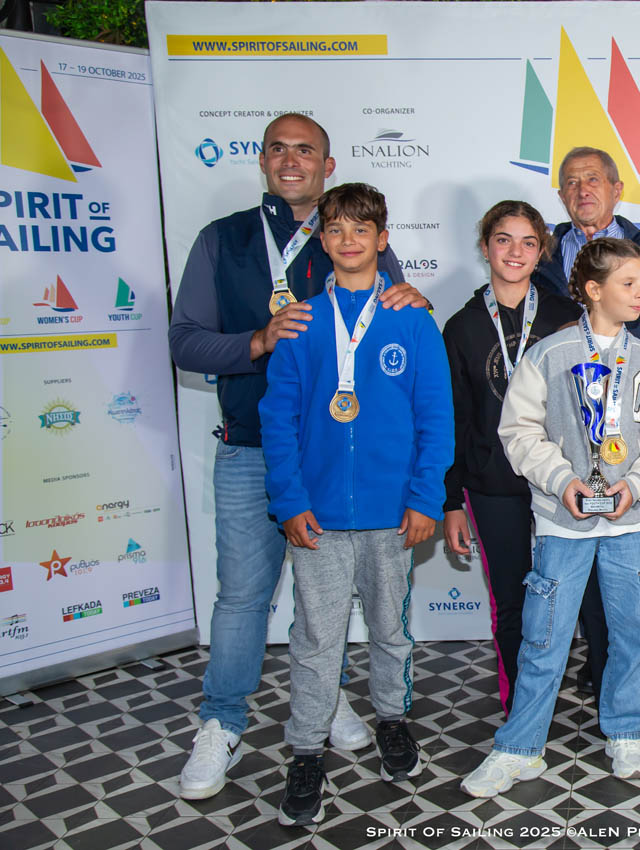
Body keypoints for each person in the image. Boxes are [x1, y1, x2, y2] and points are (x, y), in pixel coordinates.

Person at [168, 114, 431, 800]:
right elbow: (184, 342)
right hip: (254, 449)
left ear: (326, 163)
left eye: (305, 150)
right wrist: (256, 341)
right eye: (278, 149)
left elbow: (399, 331)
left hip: (349, 472)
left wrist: (414, 299)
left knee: (334, 613)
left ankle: (333, 704)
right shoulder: (223, 239)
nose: (291, 160)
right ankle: (222, 721)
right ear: (261, 160)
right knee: (243, 598)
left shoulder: (350, 235)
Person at [462, 238, 640, 797]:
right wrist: (563, 480)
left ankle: (627, 731)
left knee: (630, 633)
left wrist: (637, 484)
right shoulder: (547, 356)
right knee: (544, 637)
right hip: (562, 525)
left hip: (631, 524)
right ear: (593, 289)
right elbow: (519, 431)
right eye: (628, 283)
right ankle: (520, 747)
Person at [259, 182, 453, 824]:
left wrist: (425, 497)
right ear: (322, 240)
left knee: (390, 629)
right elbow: (278, 421)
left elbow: (435, 418)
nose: (348, 240)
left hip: (393, 514)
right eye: (337, 229)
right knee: (317, 637)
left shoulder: (413, 320)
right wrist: (289, 501)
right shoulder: (301, 322)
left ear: (382, 239)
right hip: (317, 517)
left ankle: (392, 719)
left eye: (361, 229)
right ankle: (306, 750)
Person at [440, 201, 582, 718]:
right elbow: (453, 419)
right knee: (511, 599)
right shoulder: (462, 327)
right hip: (492, 483)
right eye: (503, 239)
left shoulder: (567, 318)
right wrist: (451, 501)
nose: (515, 252)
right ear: (485, 248)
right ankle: (521, 706)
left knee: (575, 595)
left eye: (528, 242)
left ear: (541, 252)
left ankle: (593, 692)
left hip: (561, 482)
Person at [531, 146, 640, 337]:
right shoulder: (539, 258)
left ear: (617, 191)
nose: (583, 191)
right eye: (572, 182)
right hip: (560, 355)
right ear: (562, 196)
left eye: (592, 179)